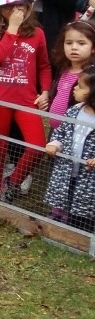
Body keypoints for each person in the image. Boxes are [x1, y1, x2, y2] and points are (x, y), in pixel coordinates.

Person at [0, 0, 51, 203]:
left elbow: (44, 66)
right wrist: (11, 28)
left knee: (37, 146)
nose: (17, 12)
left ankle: (11, 184)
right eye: (10, 7)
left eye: (21, 7)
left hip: (25, 99)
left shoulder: (38, 33)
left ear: (30, 6)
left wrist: (45, 91)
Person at [43, 65, 95, 230]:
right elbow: (60, 132)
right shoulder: (73, 111)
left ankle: (78, 226)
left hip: (88, 172)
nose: (75, 89)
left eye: (80, 86)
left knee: (82, 199)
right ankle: (57, 216)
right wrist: (54, 145)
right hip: (67, 165)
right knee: (62, 191)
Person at [50, 21, 95, 118]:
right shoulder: (62, 69)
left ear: (93, 47)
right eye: (69, 43)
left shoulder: (91, 76)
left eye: (81, 43)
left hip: (77, 130)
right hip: (56, 129)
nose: (74, 48)